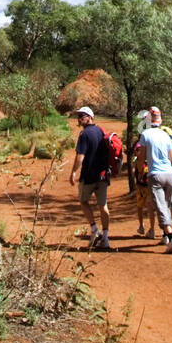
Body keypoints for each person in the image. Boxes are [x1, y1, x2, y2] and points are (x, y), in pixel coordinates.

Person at [69, 106, 112, 251]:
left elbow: (80, 157)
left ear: (89, 117)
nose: (80, 119)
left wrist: (73, 172)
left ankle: (95, 229)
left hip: (89, 176)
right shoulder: (100, 131)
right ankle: (105, 237)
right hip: (103, 175)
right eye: (79, 116)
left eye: (82, 116)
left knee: (83, 201)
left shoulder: (84, 135)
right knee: (103, 205)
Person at [139, 106, 172, 253]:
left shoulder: (146, 135)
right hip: (169, 174)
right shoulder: (166, 136)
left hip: (155, 174)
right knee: (166, 205)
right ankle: (165, 237)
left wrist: (139, 170)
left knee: (160, 206)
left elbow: (141, 157)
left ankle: (171, 237)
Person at [132, 114, 156, 238]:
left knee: (141, 205)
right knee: (150, 205)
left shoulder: (141, 141)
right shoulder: (156, 137)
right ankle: (151, 229)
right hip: (152, 176)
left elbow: (137, 158)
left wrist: (138, 173)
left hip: (143, 178)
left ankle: (143, 226)